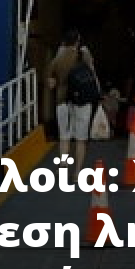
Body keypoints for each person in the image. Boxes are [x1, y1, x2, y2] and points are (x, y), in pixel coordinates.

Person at [47, 29, 99, 166]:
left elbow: (51, 84)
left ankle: (63, 167)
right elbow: (92, 72)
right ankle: (77, 173)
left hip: (62, 101)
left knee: (64, 138)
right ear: (77, 41)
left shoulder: (57, 59)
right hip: (82, 100)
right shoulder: (84, 54)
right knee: (80, 140)